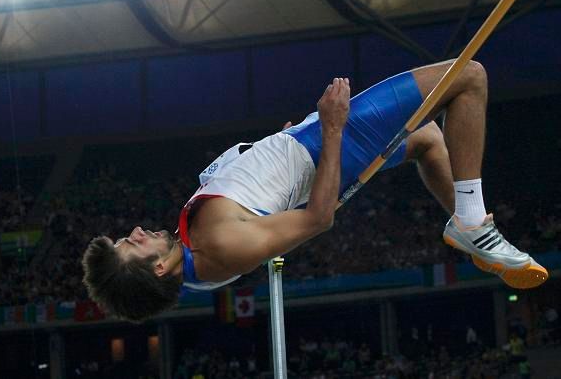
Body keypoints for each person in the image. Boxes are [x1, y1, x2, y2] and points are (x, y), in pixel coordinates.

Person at [82, 60, 548, 322]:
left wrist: (272, 152)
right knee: (468, 77)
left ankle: (470, 225)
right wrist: (332, 129)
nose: (138, 230)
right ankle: (471, 221)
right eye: (133, 244)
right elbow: (317, 219)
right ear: (160, 268)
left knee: (427, 140)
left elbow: (253, 199)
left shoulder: (196, 254)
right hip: (325, 144)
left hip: (302, 145)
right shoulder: (217, 247)